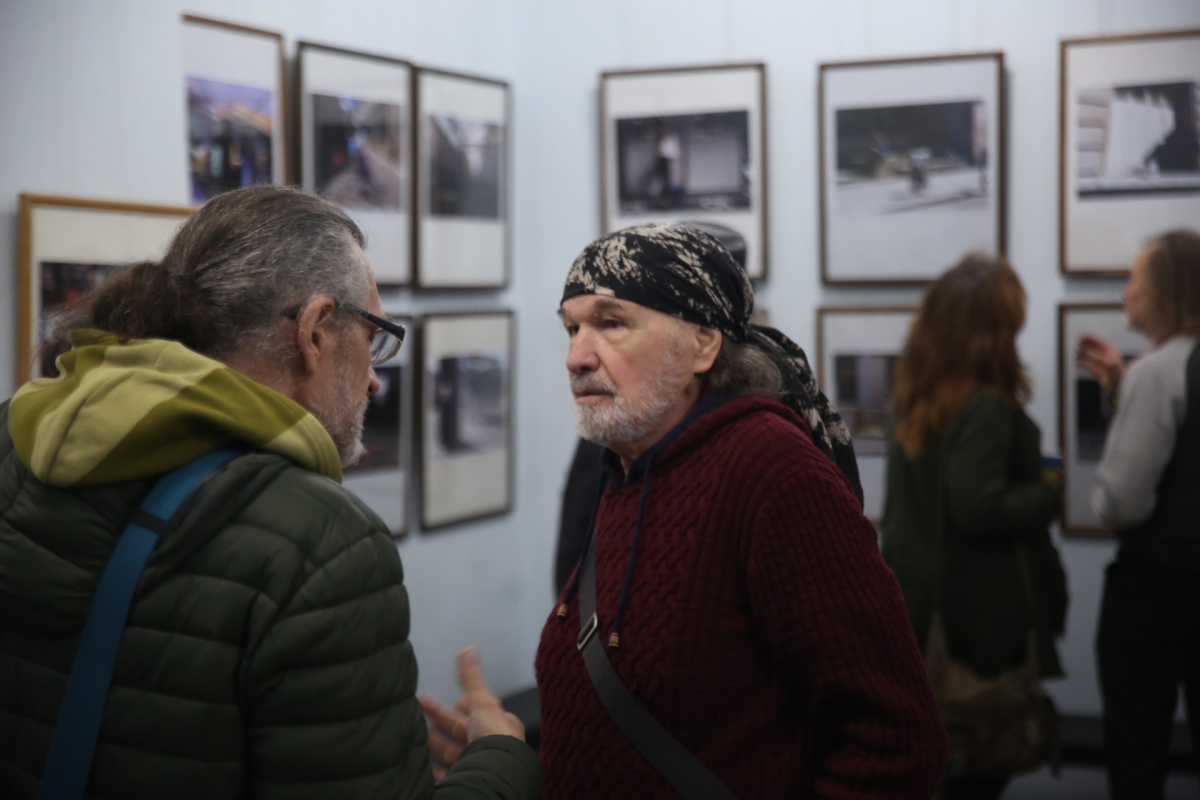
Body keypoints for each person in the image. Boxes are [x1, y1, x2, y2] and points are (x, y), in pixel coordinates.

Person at [0, 186, 539, 799]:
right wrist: (501, 761)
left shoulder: (14, 438)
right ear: (313, 333)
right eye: (373, 338)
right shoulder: (324, 544)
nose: (374, 382)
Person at [433, 223, 946, 798]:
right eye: (572, 327)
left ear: (703, 343)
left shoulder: (772, 472)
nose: (577, 356)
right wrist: (512, 767)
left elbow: (897, 742)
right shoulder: (628, 467)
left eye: (611, 322)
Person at [880, 253, 1068, 800]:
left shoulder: (913, 400)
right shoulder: (983, 407)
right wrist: (1046, 494)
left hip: (922, 605)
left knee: (938, 763)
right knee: (982, 760)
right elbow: (978, 507)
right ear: (994, 330)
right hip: (977, 614)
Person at [1076, 229, 1200, 800]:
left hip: (1155, 595)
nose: (1126, 295)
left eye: (1136, 282)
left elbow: (1121, 503)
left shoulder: (1159, 373)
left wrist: (1131, 396)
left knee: (1138, 755)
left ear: (1168, 292)